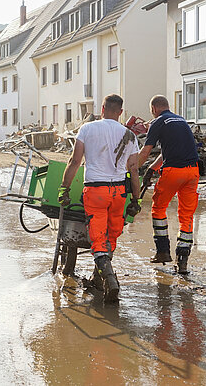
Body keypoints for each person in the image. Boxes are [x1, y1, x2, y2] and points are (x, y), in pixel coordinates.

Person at [58, 94, 141, 303]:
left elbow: (75, 160)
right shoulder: (130, 135)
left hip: (95, 191)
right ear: (121, 112)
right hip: (119, 192)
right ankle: (99, 277)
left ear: (102, 108)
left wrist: (64, 188)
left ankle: (110, 280)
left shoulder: (87, 128)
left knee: (97, 237)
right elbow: (133, 170)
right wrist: (136, 200)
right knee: (111, 234)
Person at [138, 95, 199, 274]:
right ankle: (183, 260)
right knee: (186, 215)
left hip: (174, 171)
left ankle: (163, 251)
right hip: (193, 172)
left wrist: (131, 169)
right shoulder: (181, 121)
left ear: (154, 109)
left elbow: (144, 152)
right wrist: (151, 169)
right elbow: (166, 153)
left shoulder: (158, 122)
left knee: (158, 208)